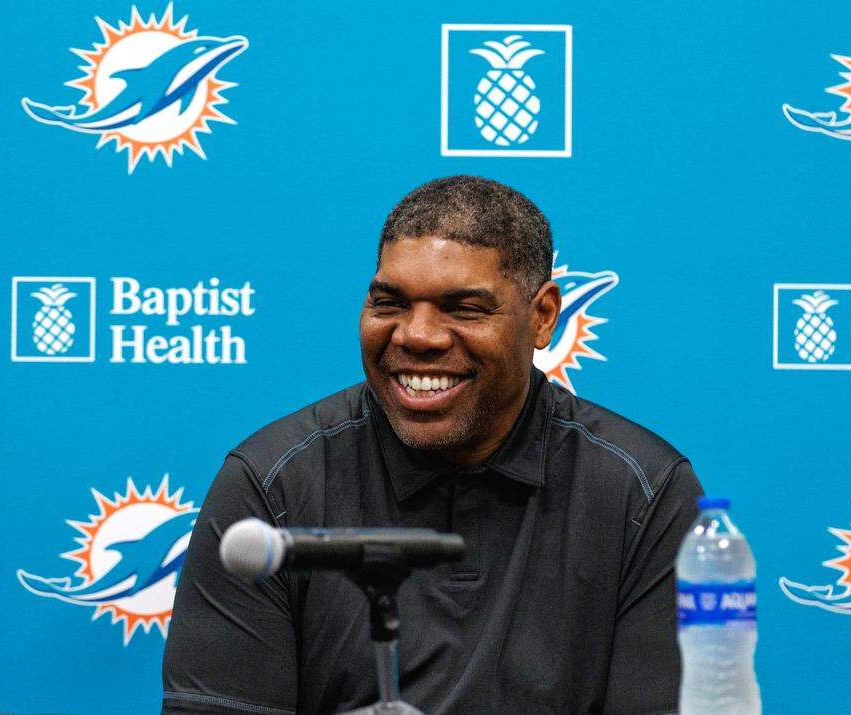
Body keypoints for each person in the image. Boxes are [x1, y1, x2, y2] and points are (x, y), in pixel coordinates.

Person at [162, 176, 704, 714]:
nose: (417, 336)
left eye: (465, 308)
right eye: (389, 302)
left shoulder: (644, 494)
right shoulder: (271, 484)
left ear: (542, 317)